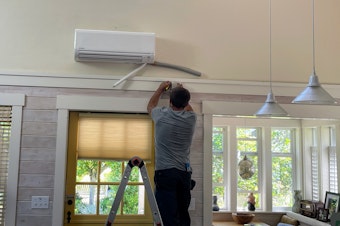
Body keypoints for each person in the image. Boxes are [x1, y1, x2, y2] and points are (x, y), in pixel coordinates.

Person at [147, 81, 197, 226]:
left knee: (166, 216)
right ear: (187, 102)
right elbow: (188, 108)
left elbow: (150, 106)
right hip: (184, 174)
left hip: (166, 173)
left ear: (169, 102)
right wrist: (180, 90)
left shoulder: (161, 116)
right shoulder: (191, 119)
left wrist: (160, 89)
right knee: (182, 215)